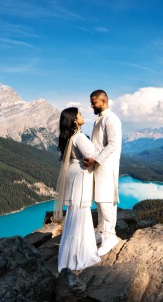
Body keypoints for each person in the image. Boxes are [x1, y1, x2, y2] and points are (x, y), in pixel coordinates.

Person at [54, 107, 100, 272]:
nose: (82, 115)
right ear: (74, 120)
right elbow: (91, 153)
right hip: (80, 178)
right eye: (79, 114)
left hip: (73, 177)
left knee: (75, 216)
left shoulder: (69, 138)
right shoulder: (79, 137)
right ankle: (80, 256)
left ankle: (70, 255)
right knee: (80, 215)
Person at [83, 90, 122, 256]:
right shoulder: (99, 119)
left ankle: (110, 235)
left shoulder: (111, 119)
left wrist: (96, 160)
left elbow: (113, 144)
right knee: (99, 200)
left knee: (106, 200)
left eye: (94, 102)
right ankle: (100, 231)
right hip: (99, 166)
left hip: (106, 167)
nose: (91, 105)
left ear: (104, 101)